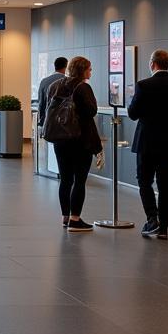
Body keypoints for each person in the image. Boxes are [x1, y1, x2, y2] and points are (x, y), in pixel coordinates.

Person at [127, 49, 168, 240]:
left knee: (144, 181)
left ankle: (151, 219)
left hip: (146, 141)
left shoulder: (143, 85)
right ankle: (163, 227)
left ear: (152, 64)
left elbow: (132, 114)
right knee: (165, 184)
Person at [45, 55, 101, 231]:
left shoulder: (55, 86)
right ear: (82, 69)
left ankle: (65, 217)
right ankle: (75, 220)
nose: (90, 72)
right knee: (79, 180)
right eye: (89, 69)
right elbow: (91, 111)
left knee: (65, 179)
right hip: (80, 139)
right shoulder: (83, 87)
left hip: (59, 139)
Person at [37, 56, 68, 128]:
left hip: (47, 121)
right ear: (66, 67)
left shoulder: (44, 81)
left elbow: (41, 103)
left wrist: (41, 121)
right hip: (63, 122)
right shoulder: (68, 81)